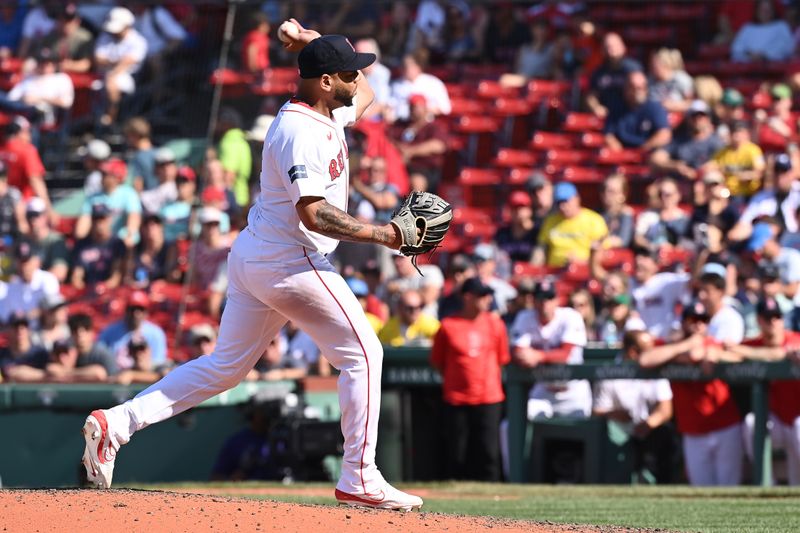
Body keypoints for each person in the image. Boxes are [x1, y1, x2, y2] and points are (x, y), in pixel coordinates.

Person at [79, 25, 424, 511]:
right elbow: (314, 212)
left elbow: (363, 91)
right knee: (364, 352)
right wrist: (385, 235)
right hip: (291, 257)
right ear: (325, 81)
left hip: (256, 254)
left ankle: (119, 423)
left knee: (224, 367)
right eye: (347, 71)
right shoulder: (301, 130)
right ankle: (359, 476)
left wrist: (311, 40)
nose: (359, 78)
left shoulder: (327, 108)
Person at [639, 300, 743, 486]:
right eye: (693, 319)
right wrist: (683, 348)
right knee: (701, 490)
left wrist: (716, 355)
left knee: (729, 488)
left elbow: (738, 357)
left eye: (703, 319)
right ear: (684, 322)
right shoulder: (672, 345)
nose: (698, 324)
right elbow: (646, 359)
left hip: (725, 425)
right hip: (693, 429)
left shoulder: (715, 343)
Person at [430, 277, 509, 481]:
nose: (488, 299)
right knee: (457, 452)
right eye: (482, 295)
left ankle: (493, 493)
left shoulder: (496, 324)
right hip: (457, 398)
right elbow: (438, 361)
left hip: (489, 397)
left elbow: (502, 358)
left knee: (489, 451)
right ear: (467, 297)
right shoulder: (448, 325)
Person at [720, 297, 800, 485]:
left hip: (797, 416)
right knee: (751, 424)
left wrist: (741, 351)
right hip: (777, 419)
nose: (773, 322)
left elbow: (779, 353)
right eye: (767, 317)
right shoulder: (754, 344)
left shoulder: (795, 338)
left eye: (776, 317)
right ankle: (766, 484)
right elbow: (723, 355)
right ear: (759, 321)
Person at [593, 330, 676, 483]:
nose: (653, 353)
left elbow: (665, 410)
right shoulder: (610, 372)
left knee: (664, 434)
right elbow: (597, 411)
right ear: (632, 352)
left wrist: (648, 424)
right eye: (647, 349)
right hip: (619, 432)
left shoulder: (656, 370)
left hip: (650, 430)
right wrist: (615, 414)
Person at [533, 182, 608, 268]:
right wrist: (535, 269)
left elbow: (602, 253)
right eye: (559, 202)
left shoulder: (594, 220)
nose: (562, 206)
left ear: (577, 198)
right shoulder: (550, 221)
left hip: (585, 271)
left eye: (566, 201)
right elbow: (540, 249)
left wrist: (582, 262)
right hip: (554, 272)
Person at [93, 7, 147, 126]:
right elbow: (98, 59)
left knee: (112, 83)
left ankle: (110, 118)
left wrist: (113, 70)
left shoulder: (138, 42)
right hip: (101, 74)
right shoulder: (105, 36)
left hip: (127, 77)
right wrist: (115, 63)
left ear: (127, 26)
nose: (115, 32)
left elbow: (127, 62)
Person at [649, 100, 724, 181]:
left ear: (708, 119)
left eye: (702, 116)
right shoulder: (679, 141)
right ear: (688, 119)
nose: (698, 119)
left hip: (707, 184)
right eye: (694, 116)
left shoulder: (716, 142)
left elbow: (726, 162)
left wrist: (709, 168)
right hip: (681, 184)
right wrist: (675, 166)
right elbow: (656, 159)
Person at [98, 290, 168, 372]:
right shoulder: (109, 332)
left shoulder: (156, 334)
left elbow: (159, 365)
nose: (136, 314)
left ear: (146, 312)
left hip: (146, 380)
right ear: (126, 310)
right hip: (115, 378)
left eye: (140, 310)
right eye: (133, 309)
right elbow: (101, 360)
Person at [604, 71, 671, 151]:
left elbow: (664, 134)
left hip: (646, 154)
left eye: (642, 87)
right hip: (621, 153)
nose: (638, 91)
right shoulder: (617, 107)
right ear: (626, 88)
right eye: (633, 87)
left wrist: (644, 148)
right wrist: (616, 148)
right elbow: (609, 134)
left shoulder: (655, 108)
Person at [0, 240, 59, 325]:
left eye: (27, 261)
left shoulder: (48, 279)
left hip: (44, 329)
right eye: (21, 262)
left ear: (37, 261)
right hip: (21, 331)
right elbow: (6, 316)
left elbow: (52, 309)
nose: (24, 267)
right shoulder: (11, 285)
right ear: (16, 263)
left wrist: (26, 316)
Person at [586, 32, 642, 120]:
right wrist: (596, 108)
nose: (610, 51)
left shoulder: (633, 68)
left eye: (613, 46)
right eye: (607, 47)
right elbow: (591, 96)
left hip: (630, 115)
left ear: (623, 47)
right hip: (606, 116)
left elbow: (641, 93)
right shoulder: (599, 72)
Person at [706, 120, 765, 200]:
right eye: (734, 132)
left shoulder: (753, 150)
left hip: (748, 194)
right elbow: (710, 167)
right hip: (727, 194)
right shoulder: (723, 152)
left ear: (746, 133)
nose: (736, 135)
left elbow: (759, 172)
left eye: (739, 132)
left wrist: (745, 175)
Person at [26, 197, 68, 283]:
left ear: (45, 216)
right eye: (29, 215)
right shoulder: (24, 242)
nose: (32, 219)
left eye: (36, 215)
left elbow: (60, 273)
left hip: (49, 291)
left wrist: (34, 279)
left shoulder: (56, 241)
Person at [494, 190, 538, 263]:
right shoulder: (502, 233)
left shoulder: (538, 232)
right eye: (514, 208)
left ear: (530, 210)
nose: (518, 211)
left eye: (522, 207)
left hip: (533, 273)